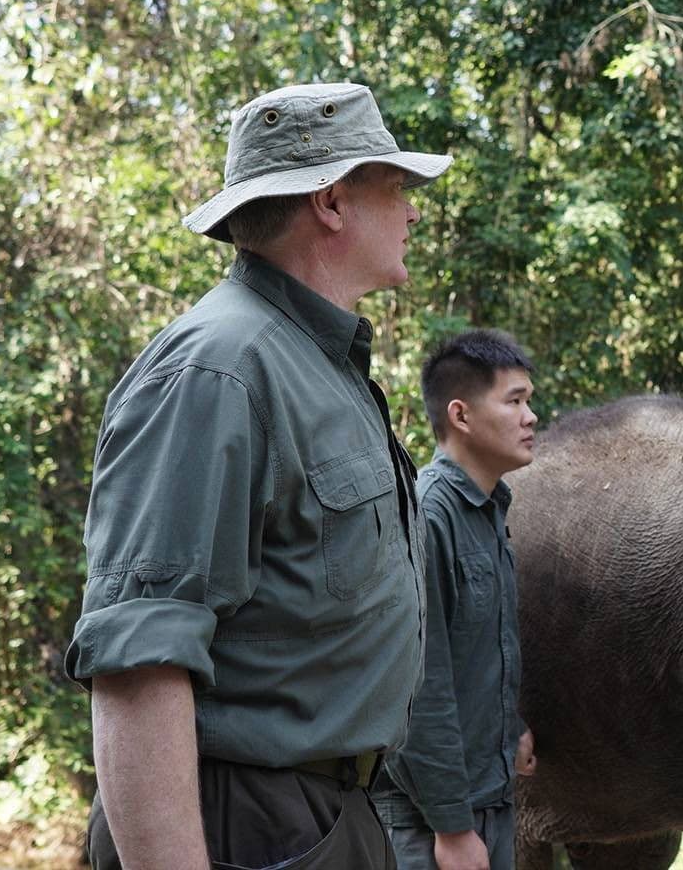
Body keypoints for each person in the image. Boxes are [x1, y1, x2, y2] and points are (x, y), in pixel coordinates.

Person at [65, 82, 452, 869]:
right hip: (247, 828)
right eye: (398, 187)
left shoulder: (311, 363)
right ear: (333, 203)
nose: (414, 212)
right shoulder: (219, 370)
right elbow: (141, 660)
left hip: (324, 819)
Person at [371, 329, 540, 870]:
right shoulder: (429, 516)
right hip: (430, 820)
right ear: (461, 415)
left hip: (486, 799)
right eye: (514, 401)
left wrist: (508, 729)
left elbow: (481, 649)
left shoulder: (489, 510)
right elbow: (420, 686)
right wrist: (452, 827)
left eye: (528, 401)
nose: (530, 417)